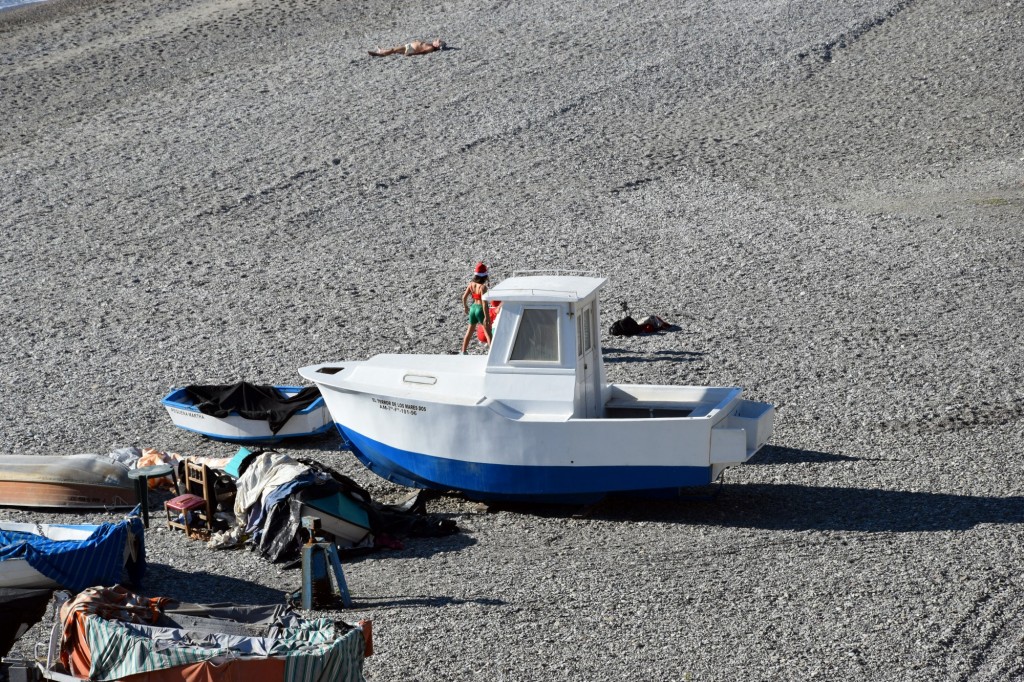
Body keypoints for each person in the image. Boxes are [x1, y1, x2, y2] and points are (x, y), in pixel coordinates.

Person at [461, 262, 491, 354]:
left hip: (473, 308)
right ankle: (492, 353)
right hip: (480, 309)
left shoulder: (471, 284)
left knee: (469, 332)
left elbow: (464, 297)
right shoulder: (483, 287)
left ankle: (463, 351)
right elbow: (484, 303)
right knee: (488, 333)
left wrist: (465, 307)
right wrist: (487, 317)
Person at [369, 39, 445, 58]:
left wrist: (411, 54)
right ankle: (382, 51)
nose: (435, 40)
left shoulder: (431, 47)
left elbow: (423, 52)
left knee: (393, 50)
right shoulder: (430, 44)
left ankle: (381, 54)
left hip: (411, 49)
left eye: (437, 41)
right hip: (409, 46)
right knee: (394, 50)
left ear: (437, 45)